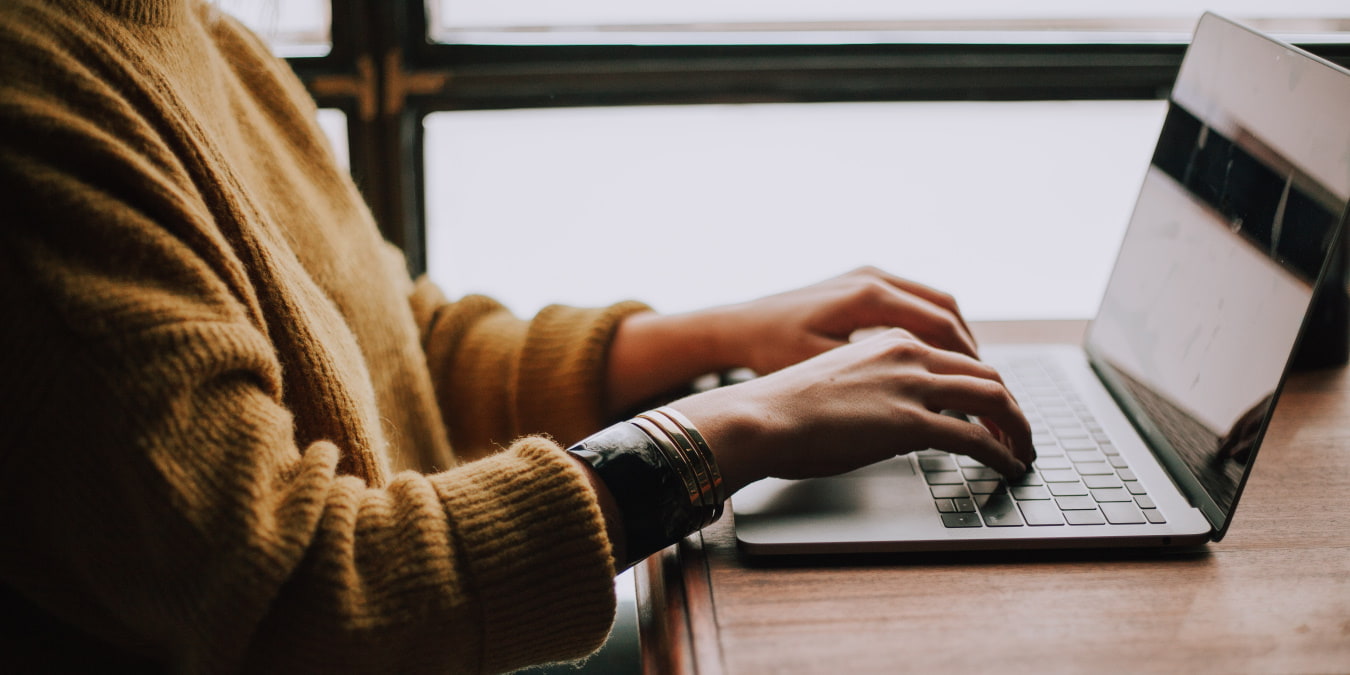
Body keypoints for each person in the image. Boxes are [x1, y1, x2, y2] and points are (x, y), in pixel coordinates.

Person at [0, 1, 1033, 672]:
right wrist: (726, 429)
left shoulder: (189, 31)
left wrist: (719, 338)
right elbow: (301, 599)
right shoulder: (34, 102)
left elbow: (399, 348)